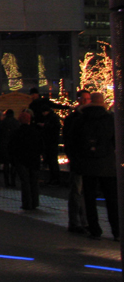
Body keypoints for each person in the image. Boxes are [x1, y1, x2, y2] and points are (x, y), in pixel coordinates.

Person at [69, 92, 119, 240]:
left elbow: (73, 142)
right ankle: (116, 231)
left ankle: (95, 229)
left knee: (89, 199)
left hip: (87, 164)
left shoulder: (81, 120)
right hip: (107, 164)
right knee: (111, 199)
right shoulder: (110, 119)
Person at [63, 88, 91, 233]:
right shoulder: (74, 119)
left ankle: (82, 221)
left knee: (80, 192)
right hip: (79, 160)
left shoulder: (76, 118)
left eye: (88, 99)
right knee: (77, 191)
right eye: (83, 99)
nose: (85, 102)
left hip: (82, 160)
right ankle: (77, 222)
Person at [9, 111, 41, 210]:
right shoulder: (35, 131)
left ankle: (27, 203)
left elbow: (12, 147)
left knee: (25, 182)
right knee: (34, 182)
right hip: (34, 159)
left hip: (21, 160)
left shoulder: (16, 132)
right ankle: (35, 202)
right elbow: (41, 146)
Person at [0, 109, 20, 188]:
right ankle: (13, 181)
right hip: (14, 146)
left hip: (5, 145)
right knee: (13, 164)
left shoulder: (3, 122)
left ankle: (6, 181)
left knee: (6, 164)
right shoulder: (16, 122)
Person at [41, 104, 62, 185]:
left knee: (52, 161)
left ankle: (54, 178)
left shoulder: (51, 118)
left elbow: (55, 127)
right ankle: (55, 178)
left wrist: (45, 126)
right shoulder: (53, 117)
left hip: (51, 141)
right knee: (53, 160)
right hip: (53, 141)